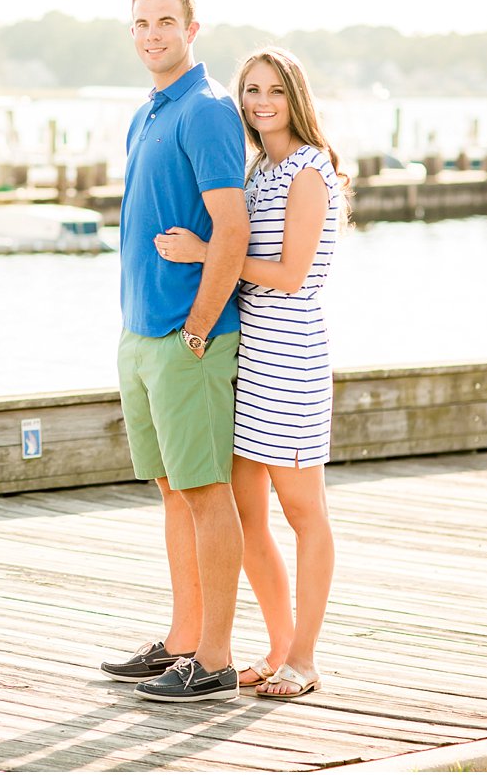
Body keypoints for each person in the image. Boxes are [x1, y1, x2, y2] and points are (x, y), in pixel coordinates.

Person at [153, 46, 347, 700]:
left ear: (296, 97)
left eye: (274, 90)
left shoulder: (309, 171)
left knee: (304, 512)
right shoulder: (261, 167)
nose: (261, 102)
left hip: (292, 360)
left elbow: (292, 276)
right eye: (251, 91)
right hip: (249, 360)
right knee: (247, 514)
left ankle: (307, 658)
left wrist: (211, 253)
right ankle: (276, 646)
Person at [99, 0, 250, 703]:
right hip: (140, 335)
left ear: (193, 30)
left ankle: (215, 658)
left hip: (187, 339)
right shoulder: (148, 113)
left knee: (204, 491)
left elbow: (234, 227)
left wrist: (196, 327)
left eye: (166, 22)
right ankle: (182, 641)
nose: (152, 33)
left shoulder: (208, 110)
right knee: (172, 492)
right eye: (141, 23)